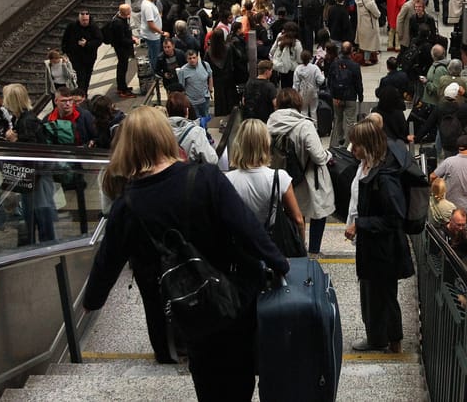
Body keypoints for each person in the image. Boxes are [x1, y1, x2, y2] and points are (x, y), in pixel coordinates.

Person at [83, 106, 289, 395]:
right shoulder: (206, 178)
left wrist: (92, 300)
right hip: (231, 296)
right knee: (239, 374)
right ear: (167, 138)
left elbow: (108, 261)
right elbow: (248, 229)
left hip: (186, 306)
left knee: (205, 375)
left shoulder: (127, 206)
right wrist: (280, 263)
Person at [344, 120, 414, 354]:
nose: (352, 150)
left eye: (357, 145)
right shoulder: (368, 165)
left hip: (384, 248)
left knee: (383, 294)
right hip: (373, 245)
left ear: (369, 145)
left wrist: (359, 224)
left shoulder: (384, 177)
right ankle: (381, 337)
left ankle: (388, 340)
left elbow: (395, 217)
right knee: (373, 293)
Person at [267, 89, 333, 254]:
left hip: (283, 178)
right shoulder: (304, 125)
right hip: (308, 178)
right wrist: (328, 155)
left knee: (294, 214)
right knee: (318, 212)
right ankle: (313, 250)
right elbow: (318, 156)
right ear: (298, 103)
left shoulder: (270, 124)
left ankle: (296, 246)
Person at [3, 83, 59, 243]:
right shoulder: (24, 118)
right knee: (36, 211)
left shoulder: (26, 122)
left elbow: (31, 150)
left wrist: (15, 140)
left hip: (36, 177)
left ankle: (45, 244)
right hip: (35, 176)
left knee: (40, 211)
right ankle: (41, 242)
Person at [225, 118, 305, 231]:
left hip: (240, 243)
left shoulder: (227, 179)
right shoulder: (280, 178)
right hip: (269, 242)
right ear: (266, 143)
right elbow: (298, 220)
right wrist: (300, 245)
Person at [428, 135, 467, 228]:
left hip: (452, 207)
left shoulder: (449, 162)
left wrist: (436, 191)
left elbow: (432, 176)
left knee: (452, 230)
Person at [327, 41, 364, 148]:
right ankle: (348, 144)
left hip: (337, 97)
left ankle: (340, 139)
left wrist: (333, 95)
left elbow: (329, 81)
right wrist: (360, 96)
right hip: (350, 97)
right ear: (351, 51)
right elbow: (358, 83)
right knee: (350, 121)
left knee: (338, 119)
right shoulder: (355, 66)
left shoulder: (334, 64)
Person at [166, 92, 217, 164]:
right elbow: (212, 160)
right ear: (187, 111)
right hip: (190, 172)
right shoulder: (196, 132)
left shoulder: (160, 130)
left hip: (168, 173)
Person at [61, 9, 103, 95]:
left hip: (89, 57)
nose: (85, 22)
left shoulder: (93, 27)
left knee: (87, 76)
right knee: (81, 77)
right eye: (83, 20)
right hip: (76, 57)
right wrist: (65, 52)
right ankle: (82, 95)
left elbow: (99, 40)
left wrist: (87, 44)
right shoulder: (72, 26)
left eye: (86, 20)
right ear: (79, 19)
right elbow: (65, 39)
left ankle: (83, 93)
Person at [106, 4, 138, 98]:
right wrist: (133, 41)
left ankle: (123, 86)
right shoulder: (118, 23)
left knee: (123, 67)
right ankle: (122, 89)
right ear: (126, 12)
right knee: (122, 68)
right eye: (129, 11)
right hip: (121, 49)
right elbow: (121, 39)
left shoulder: (121, 20)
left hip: (122, 48)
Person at [177, 49, 213, 118]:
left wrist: (210, 89)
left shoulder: (205, 65)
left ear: (197, 57)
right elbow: (182, 87)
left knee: (205, 119)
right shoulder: (183, 71)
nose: (192, 60)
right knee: (195, 121)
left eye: (194, 58)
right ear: (187, 60)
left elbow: (210, 75)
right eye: (190, 58)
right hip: (192, 102)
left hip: (205, 99)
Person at [293, 49, 325, 122]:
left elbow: (296, 84)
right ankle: (315, 127)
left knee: (303, 111)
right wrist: (322, 75)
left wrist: (296, 93)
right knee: (314, 111)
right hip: (313, 92)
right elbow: (320, 81)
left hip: (302, 93)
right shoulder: (315, 68)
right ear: (310, 58)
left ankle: (305, 127)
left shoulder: (298, 69)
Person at [140, 0, 168, 67]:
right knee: (155, 56)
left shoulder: (147, 2)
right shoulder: (148, 6)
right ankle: (154, 72)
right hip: (152, 35)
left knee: (151, 53)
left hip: (151, 34)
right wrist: (162, 32)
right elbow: (151, 25)